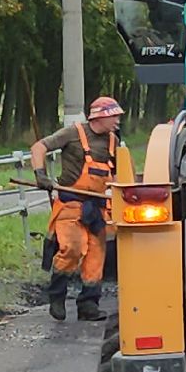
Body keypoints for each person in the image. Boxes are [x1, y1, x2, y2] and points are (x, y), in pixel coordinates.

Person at [30, 97, 129, 322]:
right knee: (72, 249)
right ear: (100, 117)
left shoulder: (113, 141)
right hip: (71, 204)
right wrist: (40, 174)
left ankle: (88, 306)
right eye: (114, 116)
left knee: (96, 257)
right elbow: (39, 147)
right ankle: (57, 296)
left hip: (98, 209)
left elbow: (118, 174)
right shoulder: (72, 134)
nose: (117, 120)